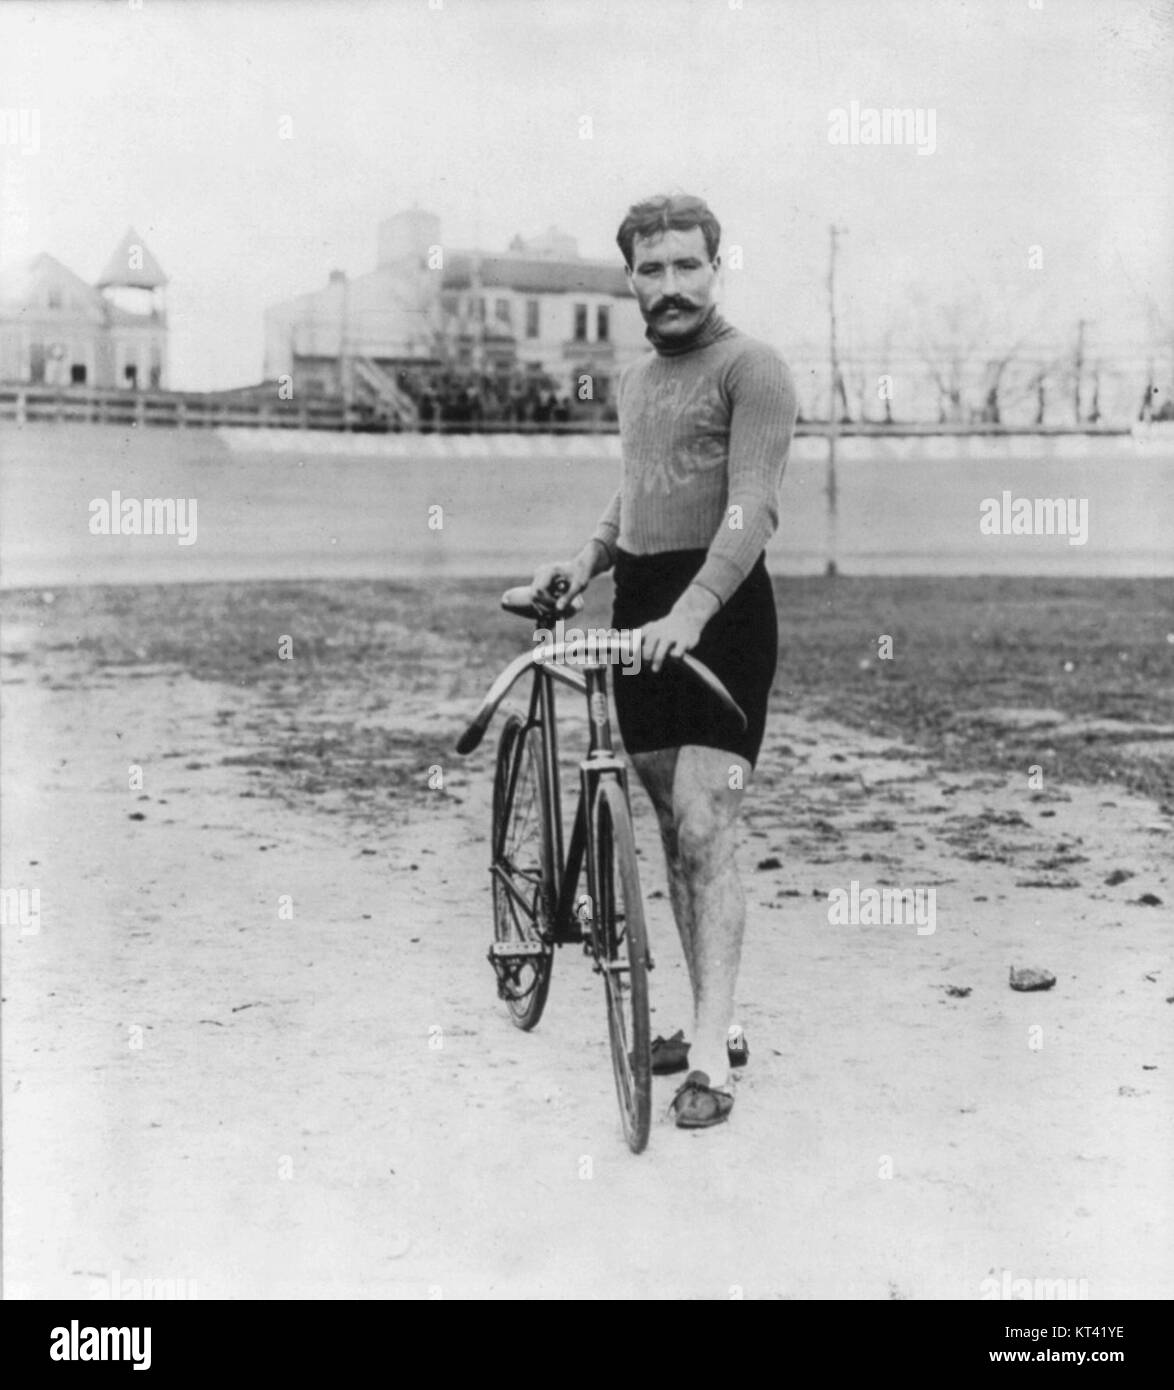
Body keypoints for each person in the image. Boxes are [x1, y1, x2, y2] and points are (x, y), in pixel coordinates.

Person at [531, 193, 797, 1129]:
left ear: (715, 266)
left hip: (719, 615)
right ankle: (702, 1019)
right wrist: (584, 562)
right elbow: (635, 488)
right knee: (672, 838)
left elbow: (750, 507)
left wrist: (692, 612)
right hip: (640, 609)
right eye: (654, 269)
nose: (672, 285)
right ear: (632, 279)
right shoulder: (640, 382)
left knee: (706, 826)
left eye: (689, 265)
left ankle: (716, 1059)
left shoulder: (752, 369)